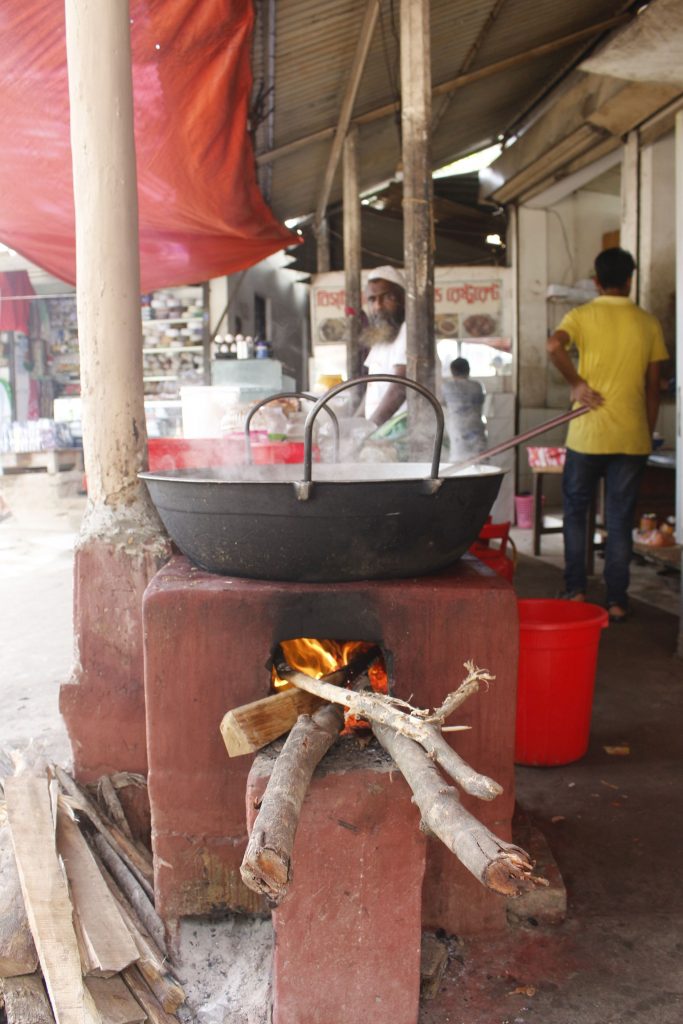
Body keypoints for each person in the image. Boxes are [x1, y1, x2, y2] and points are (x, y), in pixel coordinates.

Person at [546, 247, 669, 622]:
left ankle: (575, 591)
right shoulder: (648, 323)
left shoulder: (581, 315)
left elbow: (554, 346)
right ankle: (616, 601)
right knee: (618, 520)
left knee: (575, 514)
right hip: (630, 437)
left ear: (596, 281)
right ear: (630, 280)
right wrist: (645, 435)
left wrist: (577, 383)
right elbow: (654, 389)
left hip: (587, 435)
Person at [360, 265, 407, 427]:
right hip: (384, 432)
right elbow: (373, 390)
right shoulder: (383, 338)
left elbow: (401, 386)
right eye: (372, 299)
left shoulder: (410, 330)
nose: (378, 306)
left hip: (408, 433)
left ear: (403, 300)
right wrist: (353, 424)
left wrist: (370, 428)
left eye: (387, 298)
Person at [441, 357, 487, 461]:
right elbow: (482, 400)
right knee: (480, 460)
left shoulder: (447, 387)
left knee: (458, 461)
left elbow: (442, 402)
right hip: (476, 426)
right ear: (468, 370)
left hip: (457, 427)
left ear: (452, 372)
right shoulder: (477, 386)